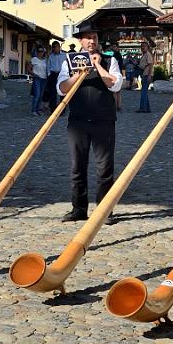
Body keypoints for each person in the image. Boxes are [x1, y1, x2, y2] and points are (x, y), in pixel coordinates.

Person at [57, 22, 123, 224]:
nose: (91, 41)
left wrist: (97, 65)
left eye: (94, 37)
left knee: (105, 168)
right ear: (80, 40)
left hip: (104, 120)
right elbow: (61, 89)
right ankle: (78, 209)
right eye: (87, 37)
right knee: (78, 167)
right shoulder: (68, 62)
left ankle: (104, 211)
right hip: (78, 121)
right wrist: (77, 74)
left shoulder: (110, 59)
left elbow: (115, 84)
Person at [27, 46, 48, 116]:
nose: (40, 53)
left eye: (42, 51)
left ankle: (38, 110)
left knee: (41, 95)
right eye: (39, 51)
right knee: (37, 94)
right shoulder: (34, 59)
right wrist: (35, 75)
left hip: (44, 79)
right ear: (37, 52)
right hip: (37, 79)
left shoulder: (45, 60)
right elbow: (28, 69)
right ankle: (33, 110)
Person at [45, 41, 64, 112]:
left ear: (59, 47)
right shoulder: (51, 56)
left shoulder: (64, 55)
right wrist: (49, 74)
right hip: (53, 75)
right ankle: (53, 110)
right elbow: (48, 66)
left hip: (62, 75)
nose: (54, 49)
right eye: (53, 47)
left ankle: (62, 110)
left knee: (62, 92)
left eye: (55, 47)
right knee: (53, 93)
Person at [136, 41, 154, 113]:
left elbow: (150, 64)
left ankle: (143, 108)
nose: (142, 47)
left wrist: (149, 75)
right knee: (144, 92)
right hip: (144, 74)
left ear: (147, 47)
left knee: (143, 92)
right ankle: (147, 108)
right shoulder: (144, 55)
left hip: (146, 75)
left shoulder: (147, 54)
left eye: (144, 46)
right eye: (142, 46)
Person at [110, 42, 125, 111]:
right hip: (119, 73)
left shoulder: (115, 55)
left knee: (115, 92)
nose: (113, 48)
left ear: (117, 47)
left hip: (115, 73)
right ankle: (119, 106)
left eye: (114, 46)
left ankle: (115, 106)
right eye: (112, 46)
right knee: (118, 91)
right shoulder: (118, 54)